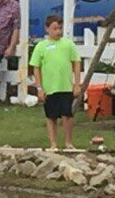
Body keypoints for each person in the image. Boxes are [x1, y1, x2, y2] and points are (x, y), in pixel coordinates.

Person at [30, 15, 82, 150]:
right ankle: (53, 143)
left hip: (65, 86)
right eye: (54, 28)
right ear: (47, 29)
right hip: (49, 87)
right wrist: (39, 88)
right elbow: (36, 67)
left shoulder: (68, 44)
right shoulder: (41, 46)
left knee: (67, 114)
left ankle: (68, 142)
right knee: (51, 116)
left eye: (60, 28)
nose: (58, 31)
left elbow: (76, 63)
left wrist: (77, 84)